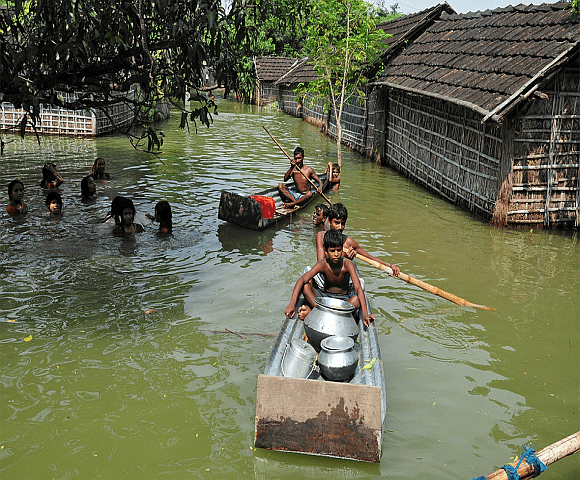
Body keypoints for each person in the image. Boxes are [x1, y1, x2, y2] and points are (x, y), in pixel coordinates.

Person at [285, 229, 375, 327]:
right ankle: (337, 316)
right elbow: (302, 280)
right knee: (306, 286)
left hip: (343, 301)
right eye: (332, 251)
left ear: (342, 249)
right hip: (324, 298)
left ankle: (314, 313)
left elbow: (358, 287)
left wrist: (365, 313)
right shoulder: (323, 264)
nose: (336, 254)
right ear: (326, 252)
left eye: (339, 250)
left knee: (356, 300)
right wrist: (292, 304)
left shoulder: (348, 264)